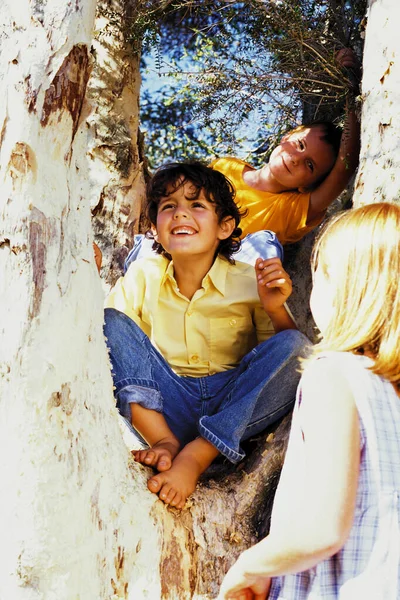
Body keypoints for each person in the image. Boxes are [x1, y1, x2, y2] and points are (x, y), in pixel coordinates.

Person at [218, 202, 400, 600]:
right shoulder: (390, 392)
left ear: (347, 288)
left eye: (320, 276)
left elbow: (323, 527)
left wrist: (251, 565)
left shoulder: (334, 375)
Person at [103, 162, 311, 509]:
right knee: (111, 321)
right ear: (155, 228)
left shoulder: (249, 279)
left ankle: (197, 455)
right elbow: (117, 345)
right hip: (162, 405)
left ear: (225, 226)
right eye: (168, 207)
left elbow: (287, 362)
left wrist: (275, 307)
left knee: (298, 347)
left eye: (196, 205)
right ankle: (165, 443)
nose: (180, 214)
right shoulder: (143, 274)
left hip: (232, 406)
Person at [122, 48, 360, 271]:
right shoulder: (227, 166)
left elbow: (343, 169)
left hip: (222, 280)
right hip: (175, 257)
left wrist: (350, 92)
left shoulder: (289, 209)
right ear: (287, 136)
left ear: (306, 184)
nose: (297, 158)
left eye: (310, 165)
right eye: (299, 144)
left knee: (264, 243)